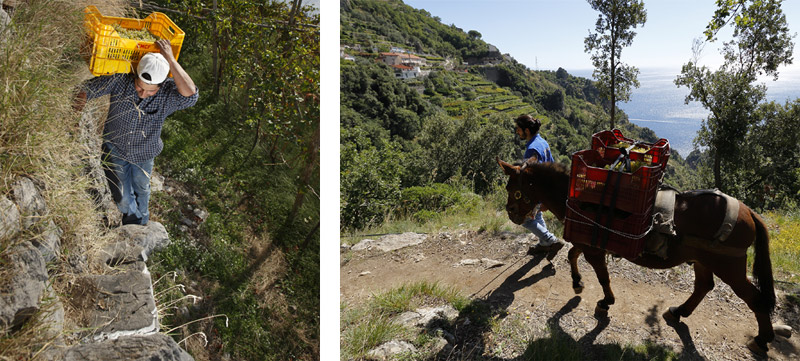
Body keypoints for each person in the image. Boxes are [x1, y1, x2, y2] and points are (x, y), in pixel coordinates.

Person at [74, 39, 198, 225]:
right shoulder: (119, 80)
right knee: (123, 197)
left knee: (142, 189)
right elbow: (84, 91)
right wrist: (73, 119)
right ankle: (135, 224)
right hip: (114, 149)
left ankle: (142, 221)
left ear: (162, 85)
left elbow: (191, 95)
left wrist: (171, 59)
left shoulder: (167, 93)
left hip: (145, 154)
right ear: (135, 76)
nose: (142, 94)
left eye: (150, 92)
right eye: (139, 87)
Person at [514, 114, 565, 255]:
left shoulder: (532, 150)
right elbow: (552, 166)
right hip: (547, 189)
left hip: (538, 192)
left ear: (527, 131)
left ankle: (551, 240)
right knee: (536, 217)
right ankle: (544, 244)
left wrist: (543, 199)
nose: (517, 132)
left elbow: (533, 178)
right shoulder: (542, 142)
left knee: (524, 219)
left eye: (519, 129)